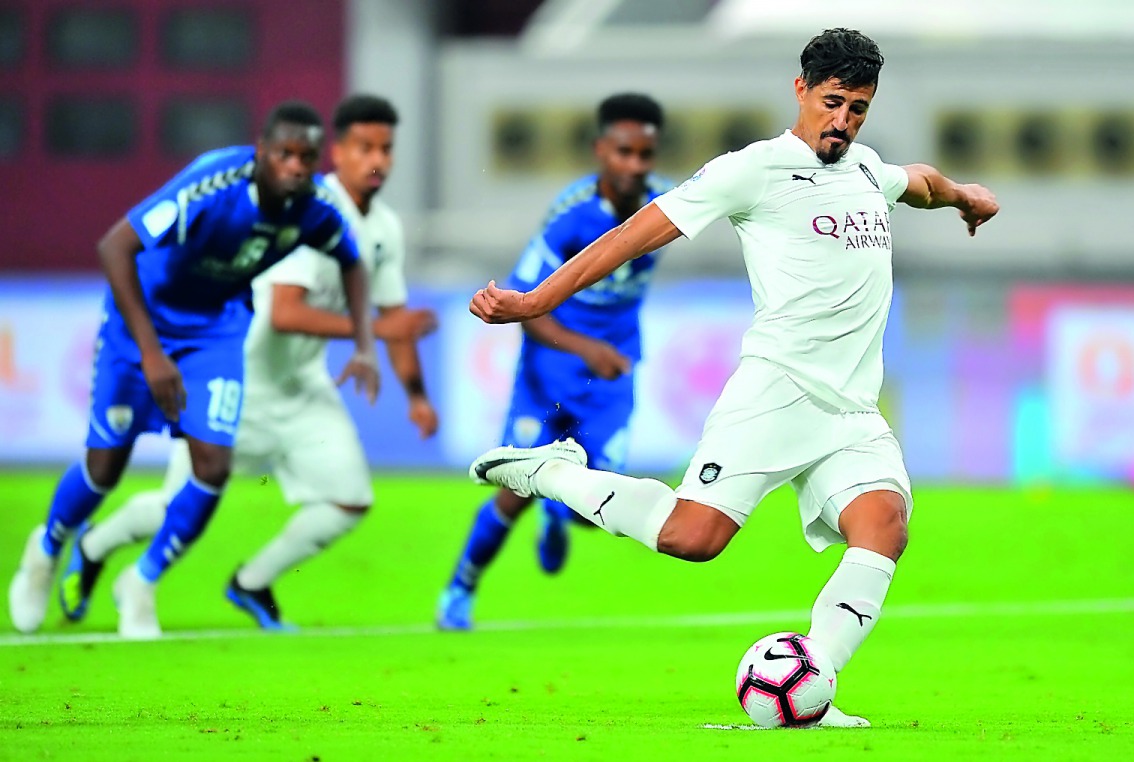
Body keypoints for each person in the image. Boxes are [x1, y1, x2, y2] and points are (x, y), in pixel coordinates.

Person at [465, 28, 999, 727]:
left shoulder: (867, 170)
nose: (843, 122)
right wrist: (536, 300)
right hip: (776, 392)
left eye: (858, 109)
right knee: (692, 540)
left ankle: (812, 689)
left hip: (850, 410)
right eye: (832, 102)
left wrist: (962, 196)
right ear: (801, 89)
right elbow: (630, 235)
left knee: (884, 528)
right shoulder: (753, 170)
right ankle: (552, 472)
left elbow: (920, 182)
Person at [54, 94, 440, 632]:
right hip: (245, 377)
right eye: (365, 147)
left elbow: (395, 318)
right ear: (336, 151)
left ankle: (251, 582)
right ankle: (96, 548)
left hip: (303, 387)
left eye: (387, 149)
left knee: (349, 500)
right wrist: (369, 333)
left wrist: (416, 395)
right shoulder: (306, 206)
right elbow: (285, 312)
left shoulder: (386, 228)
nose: (378, 160)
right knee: (179, 504)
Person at [436, 93, 674, 631]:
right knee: (514, 492)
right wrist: (587, 348)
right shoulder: (570, 216)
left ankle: (557, 510)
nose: (635, 165)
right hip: (550, 373)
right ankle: (460, 589)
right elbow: (528, 307)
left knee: (598, 507)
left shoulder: (665, 205)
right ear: (600, 150)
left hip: (612, 377)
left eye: (645, 154)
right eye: (624, 152)